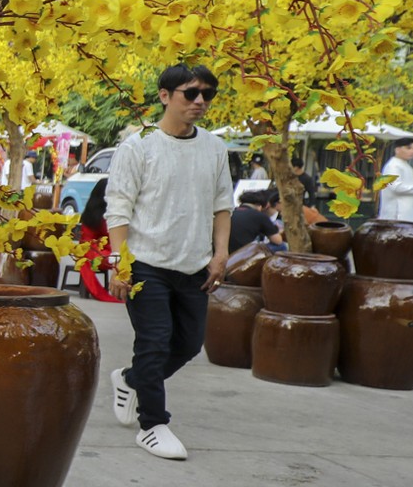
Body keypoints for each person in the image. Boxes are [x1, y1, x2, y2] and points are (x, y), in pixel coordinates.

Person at [107, 65, 234, 462]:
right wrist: (119, 264)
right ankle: (153, 424)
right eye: (190, 93)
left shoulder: (214, 147)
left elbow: (222, 205)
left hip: (194, 265)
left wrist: (220, 254)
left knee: (187, 345)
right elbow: (118, 210)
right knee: (155, 340)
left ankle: (130, 380)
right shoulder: (138, 146)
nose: (200, 101)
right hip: (145, 263)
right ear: (165, 96)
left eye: (207, 95)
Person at [378, 137, 413, 222]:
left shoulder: (407, 166)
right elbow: (395, 187)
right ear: (397, 150)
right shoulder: (393, 166)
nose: (412, 151)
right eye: (408, 148)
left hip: (408, 214)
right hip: (397, 214)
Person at [228, 188, 284, 252]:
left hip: (228, 252)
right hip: (244, 253)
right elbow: (278, 241)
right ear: (260, 206)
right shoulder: (259, 215)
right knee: (282, 246)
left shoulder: (231, 213)